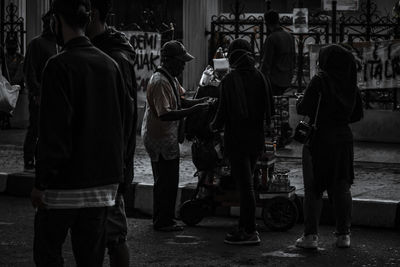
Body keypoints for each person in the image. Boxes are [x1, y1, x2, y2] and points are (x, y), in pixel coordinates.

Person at [31, 0, 132, 266]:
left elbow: (54, 134)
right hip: (100, 188)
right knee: (91, 258)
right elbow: (121, 124)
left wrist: (41, 183)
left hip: (63, 188)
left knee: (48, 253)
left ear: (56, 20)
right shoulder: (110, 65)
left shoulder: (58, 66)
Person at [295, 44, 363, 249]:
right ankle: (343, 235)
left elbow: (303, 107)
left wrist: (302, 100)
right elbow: (357, 114)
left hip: (319, 139)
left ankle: (311, 236)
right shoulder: (351, 83)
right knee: (342, 186)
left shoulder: (320, 80)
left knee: (314, 188)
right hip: (343, 139)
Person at [86, 0, 137, 266]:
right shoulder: (107, 52)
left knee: (113, 236)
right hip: (104, 164)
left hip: (108, 167)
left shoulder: (113, 58)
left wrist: (117, 168)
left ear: (91, 14)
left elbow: (123, 119)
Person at [141, 40, 210, 231]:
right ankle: (163, 221)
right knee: (165, 181)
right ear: (169, 61)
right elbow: (165, 113)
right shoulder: (160, 81)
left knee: (169, 180)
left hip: (167, 136)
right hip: (159, 137)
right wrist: (195, 109)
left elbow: (180, 100)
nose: (183, 65)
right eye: (181, 61)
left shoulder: (171, 77)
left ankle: (165, 218)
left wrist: (200, 101)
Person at [211, 38, 274, 245]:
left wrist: (212, 126)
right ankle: (246, 226)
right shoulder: (260, 77)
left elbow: (221, 113)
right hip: (256, 139)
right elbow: (269, 110)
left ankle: (248, 230)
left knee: (245, 186)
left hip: (236, 140)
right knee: (250, 183)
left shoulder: (230, 80)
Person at [23, 11, 58, 171]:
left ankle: (43, 158)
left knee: (50, 130)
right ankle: (29, 159)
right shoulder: (36, 44)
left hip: (55, 96)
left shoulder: (60, 44)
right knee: (35, 128)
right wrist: (36, 92)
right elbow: (29, 71)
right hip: (39, 96)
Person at [260, 10, 295, 96]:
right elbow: (294, 58)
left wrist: (259, 77)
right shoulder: (289, 36)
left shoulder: (271, 38)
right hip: (287, 78)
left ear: (267, 23)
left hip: (274, 80)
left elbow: (267, 62)